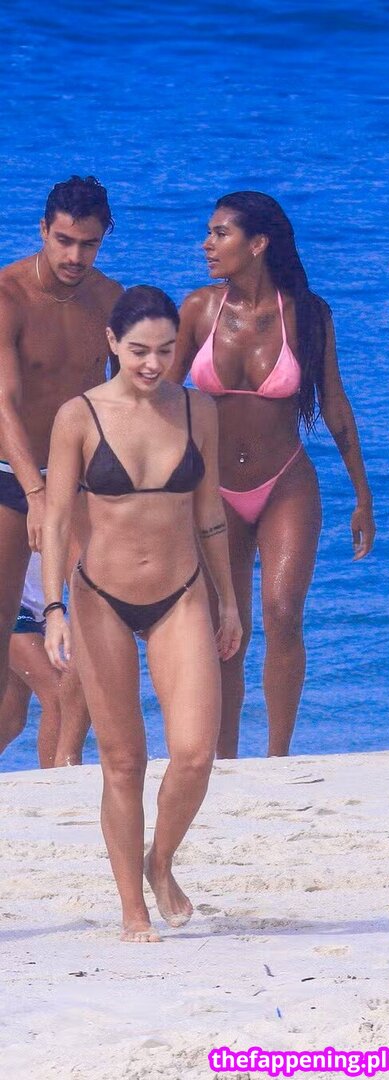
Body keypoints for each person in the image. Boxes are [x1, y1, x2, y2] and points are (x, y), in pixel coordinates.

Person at [42, 285, 242, 942]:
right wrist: (53, 608)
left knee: (195, 754)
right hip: (100, 597)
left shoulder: (196, 409)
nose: (152, 364)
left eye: (164, 351)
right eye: (138, 351)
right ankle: (132, 908)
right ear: (112, 342)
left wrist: (228, 600)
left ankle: (160, 861)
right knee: (124, 760)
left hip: (182, 592)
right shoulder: (78, 416)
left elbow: (209, 512)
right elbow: (58, 518)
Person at [169, 190, 376, 758]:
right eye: (208, 232)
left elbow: (334, 405)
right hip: (213, 490)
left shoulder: (307, 314)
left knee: (283, 615)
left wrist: (363, 495)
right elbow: (157, 395)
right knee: (225, 629)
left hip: (285, 482)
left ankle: (278, 757)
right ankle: (225, 760)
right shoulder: (198, 310)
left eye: (220, 233)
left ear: (258, 243)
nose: (206, 244)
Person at [0, 174, 122, 764]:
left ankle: (61, 775)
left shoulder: (111, 300)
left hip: (78, 478)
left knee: (95, 624)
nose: (75, 256)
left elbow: (122, 399)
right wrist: (35, 492)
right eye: (65, 241)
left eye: (89, 244)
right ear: (43, 230)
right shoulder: (8, 295)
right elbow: (2, 401)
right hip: (8, 474)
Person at [0, 553, 61, 767]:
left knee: (11, 718)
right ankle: (56, 778)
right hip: (12, 606)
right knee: (59, 695)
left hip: (37, 609)